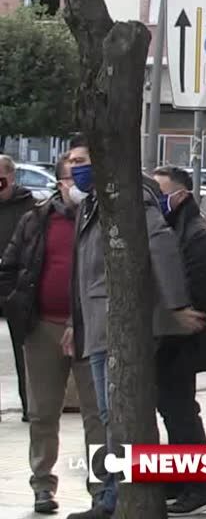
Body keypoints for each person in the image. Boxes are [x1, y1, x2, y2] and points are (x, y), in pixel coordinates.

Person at [63, 135, 206, 519]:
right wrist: (73, 325)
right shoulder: (94, 203)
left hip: (116, 323)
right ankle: (118, 495)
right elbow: (84, 273)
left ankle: (116, 498)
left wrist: (176, 305)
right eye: (71, 160)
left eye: (82, 158)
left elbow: (159, 244)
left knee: (118, 414)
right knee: (112, 415)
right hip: (95, 324)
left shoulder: (127, 197)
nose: (74, 167)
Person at [0, 154, 104, 515]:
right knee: (43, 413)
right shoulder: (37, 219)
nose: (80, 180)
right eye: (73, 172)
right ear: (60, 182)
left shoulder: (103, 219)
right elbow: (10, 268)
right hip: (43, 328)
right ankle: (42, 486)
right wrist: (17, 308)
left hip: (93, 330)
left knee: (100, 415)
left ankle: (103, 491)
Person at [151, 166, 206, 515]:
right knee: (173, 412)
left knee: (182, 413)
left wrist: (170, 317)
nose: (154, 199)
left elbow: (194, 295)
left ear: (180, 195)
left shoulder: (195, 235)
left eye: (159, 192)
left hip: (183, 341)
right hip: (169, 339)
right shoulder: (172, 227)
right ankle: (181, 481)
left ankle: (199, 488)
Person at [0, 154, 38, 422]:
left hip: (16, 285)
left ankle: (30, 406)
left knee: (24, 347)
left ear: (11, 176)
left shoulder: (30, 206)